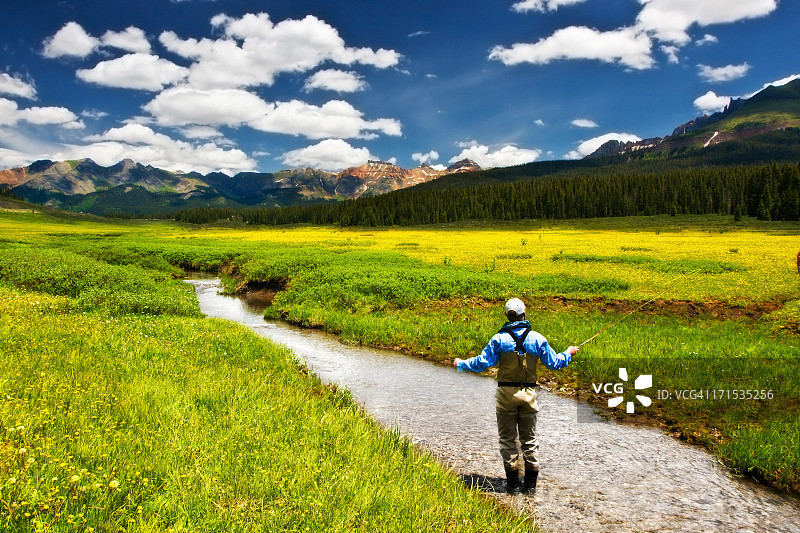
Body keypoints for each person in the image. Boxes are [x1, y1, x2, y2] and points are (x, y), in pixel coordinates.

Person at [453, 297, 578, 496]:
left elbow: (481, 363)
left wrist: (461, 364)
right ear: (524, 314)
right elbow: (555, 363)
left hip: (505, 395)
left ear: (507, 316)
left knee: (507, 440)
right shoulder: (537, 338)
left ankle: (512, 486)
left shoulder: (498, 339)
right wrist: (569, 353)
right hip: (529, 394)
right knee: (529, 441)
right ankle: (530, 489)